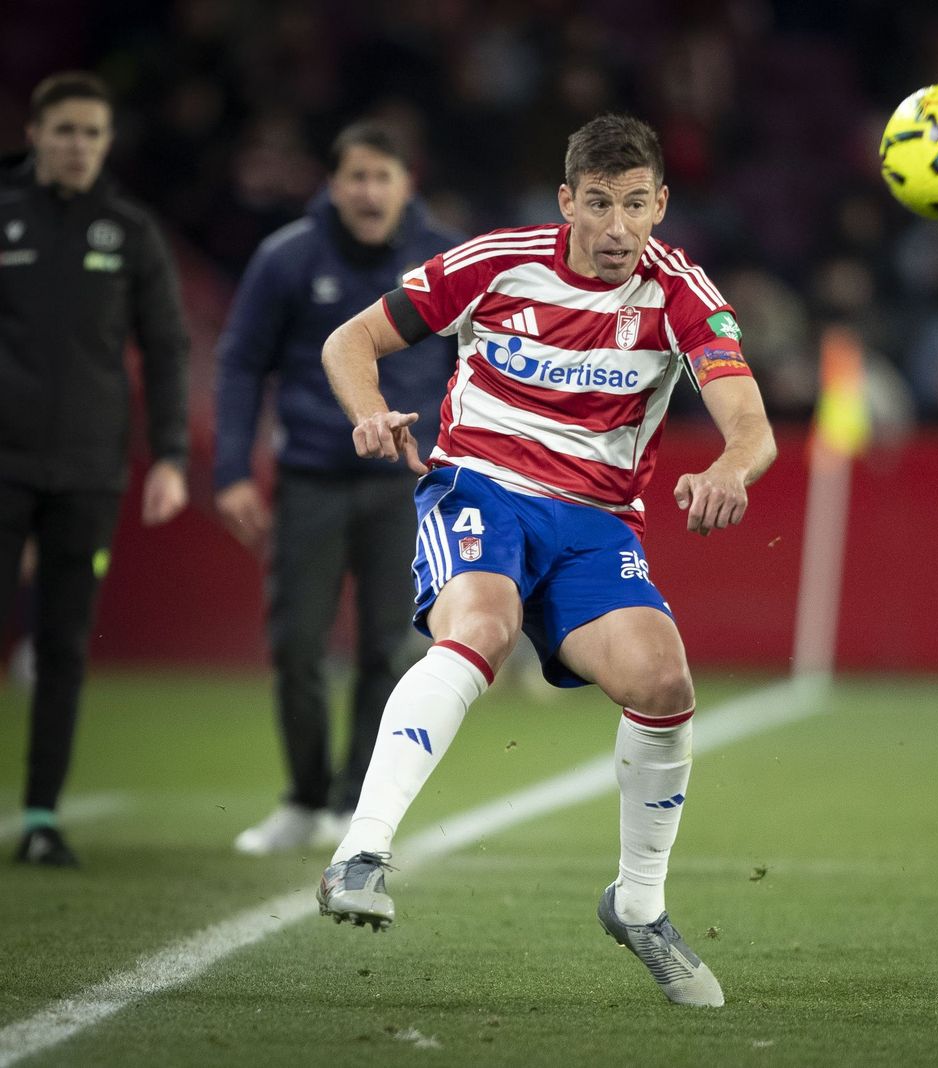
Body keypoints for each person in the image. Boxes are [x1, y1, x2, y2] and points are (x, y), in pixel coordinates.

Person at [314, 114, 775, 1008]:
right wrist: (367, 410)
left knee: (663, 679)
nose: (616, 227)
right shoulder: (493, 262)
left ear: (660, 204)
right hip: (480, 487)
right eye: (598, 204)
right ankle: (360, 851)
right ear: (567, 201)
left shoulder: (682, 291)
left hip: (597, 524)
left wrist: (730, 468)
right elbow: (349, 343)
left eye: (635, 205)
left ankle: (638, 906)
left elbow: (750, 426)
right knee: (482, 628)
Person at [214, 122, 462, 855]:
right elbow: (238, 362)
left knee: (390, 648)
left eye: (383, 177)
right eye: (356, 177)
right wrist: (230, 469)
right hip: (312, 477)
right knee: (296, 643)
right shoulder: (286, 257)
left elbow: (479, 360)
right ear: (333, 184)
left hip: (407, 485)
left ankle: (351, 801)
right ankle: (304, 796)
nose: (369, 191)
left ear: (406, 185)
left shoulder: (443, 259)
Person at [0, 71, 190, 866]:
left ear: (108, 143)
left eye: (93, 133)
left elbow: (169, 345)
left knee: (64, 644)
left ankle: (41, 816)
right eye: (66, 130)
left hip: (87, 471)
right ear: (37, 132)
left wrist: (172, 454)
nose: (78, 145)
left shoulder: (130, 230)